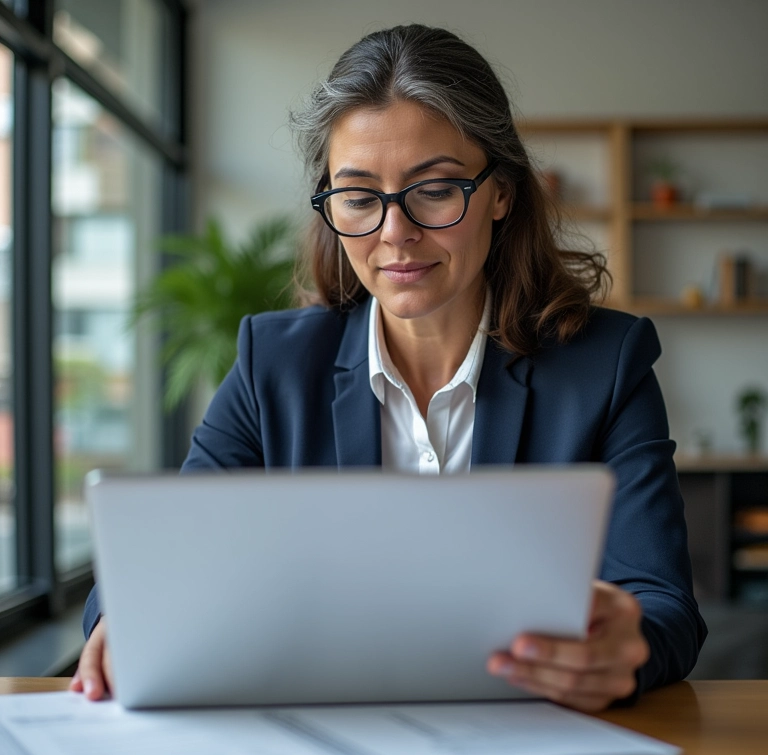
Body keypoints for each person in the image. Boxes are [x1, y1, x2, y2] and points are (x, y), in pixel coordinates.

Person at [72, 23, 706, 712]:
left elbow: (664, 603)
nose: (394, 232)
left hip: (522, 732)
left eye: (434, 190)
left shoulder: (605, 365)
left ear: (501, 193)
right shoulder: (273, 364)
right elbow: (164, 557)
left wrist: (627, 644)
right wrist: (119, 617)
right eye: (359, 196)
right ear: (331, 206)